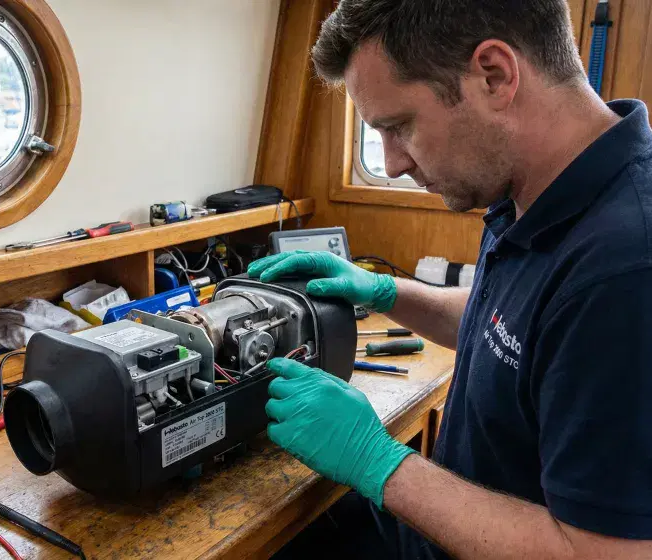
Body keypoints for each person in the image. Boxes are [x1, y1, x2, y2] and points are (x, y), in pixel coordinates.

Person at [248, 1, 652, 558]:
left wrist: (378, 461)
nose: (390, 164)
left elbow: (604, 554)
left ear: (495, 75)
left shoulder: (626, 270)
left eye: (398, 127)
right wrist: (388, 294)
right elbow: (516, 332)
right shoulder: (530, 192)